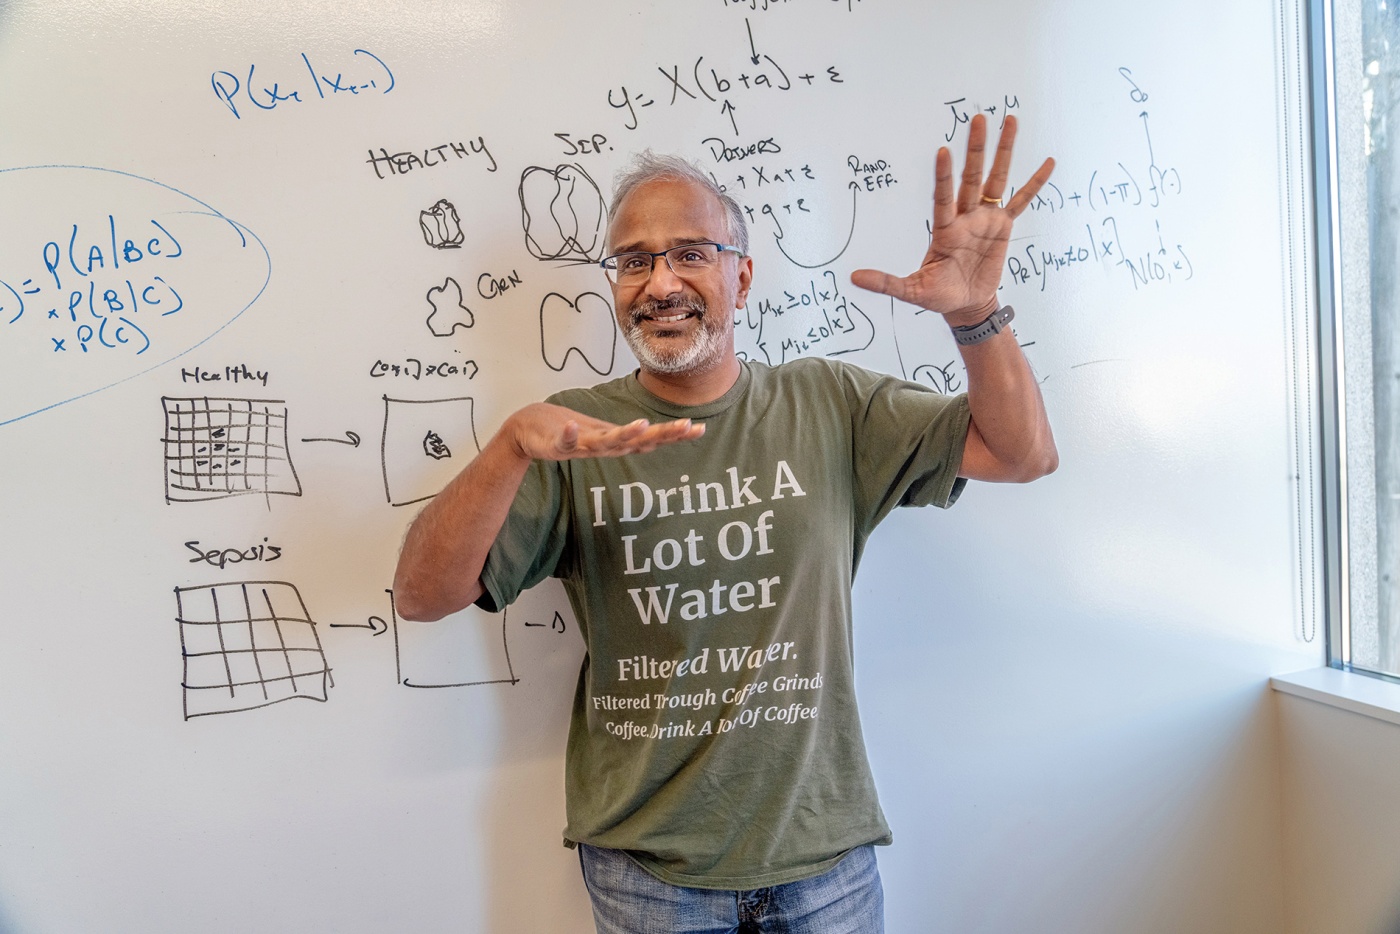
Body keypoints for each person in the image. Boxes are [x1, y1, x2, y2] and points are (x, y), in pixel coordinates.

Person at [393, 113, 1057, 934]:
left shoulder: (830, 405)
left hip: (826, 863)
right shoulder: (566, 433)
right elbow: (421, 596)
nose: (660, 280)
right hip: (651, 874)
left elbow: (1021, 453)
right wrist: (506, 451)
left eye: (691, 254)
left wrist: (976, 314)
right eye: (635, 261)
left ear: (741, 280)